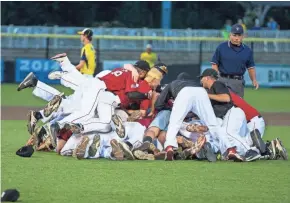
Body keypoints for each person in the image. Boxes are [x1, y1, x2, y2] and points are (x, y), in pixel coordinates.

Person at [211, 24, 259, 98]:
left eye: (239, 35)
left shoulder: (247, 50)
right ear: (230, 35)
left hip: (238, 82)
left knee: (237, 107)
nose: (236, 38)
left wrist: (254, 80)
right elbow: (214, 64)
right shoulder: (221, 47)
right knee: (220, 106)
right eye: (234, 35)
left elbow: (250, 67)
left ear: (243, 36)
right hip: (222, 80)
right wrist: (216, 78)